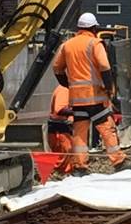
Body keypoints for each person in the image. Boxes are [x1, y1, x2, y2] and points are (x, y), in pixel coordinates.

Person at [51, 12, 126, 174]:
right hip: (96, 97)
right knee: (106, 127)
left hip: (77, 100)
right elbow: (105, 67)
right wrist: (110, 89)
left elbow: (57, 68)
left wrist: (68, 85)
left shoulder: (67, 45)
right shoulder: (95, 43)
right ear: (93, 28)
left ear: (78, 28)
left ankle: (79, 166)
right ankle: (118, 161)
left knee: (79, 132)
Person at [45, 82, 75, 176]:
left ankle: (63, 174)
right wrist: (81, 111)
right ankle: (61, 175)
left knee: (64, 155)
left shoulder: (64, 89)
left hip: (59, 127)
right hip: (60, 129)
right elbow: (60, 109)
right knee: (65, 153)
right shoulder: (64, 89)